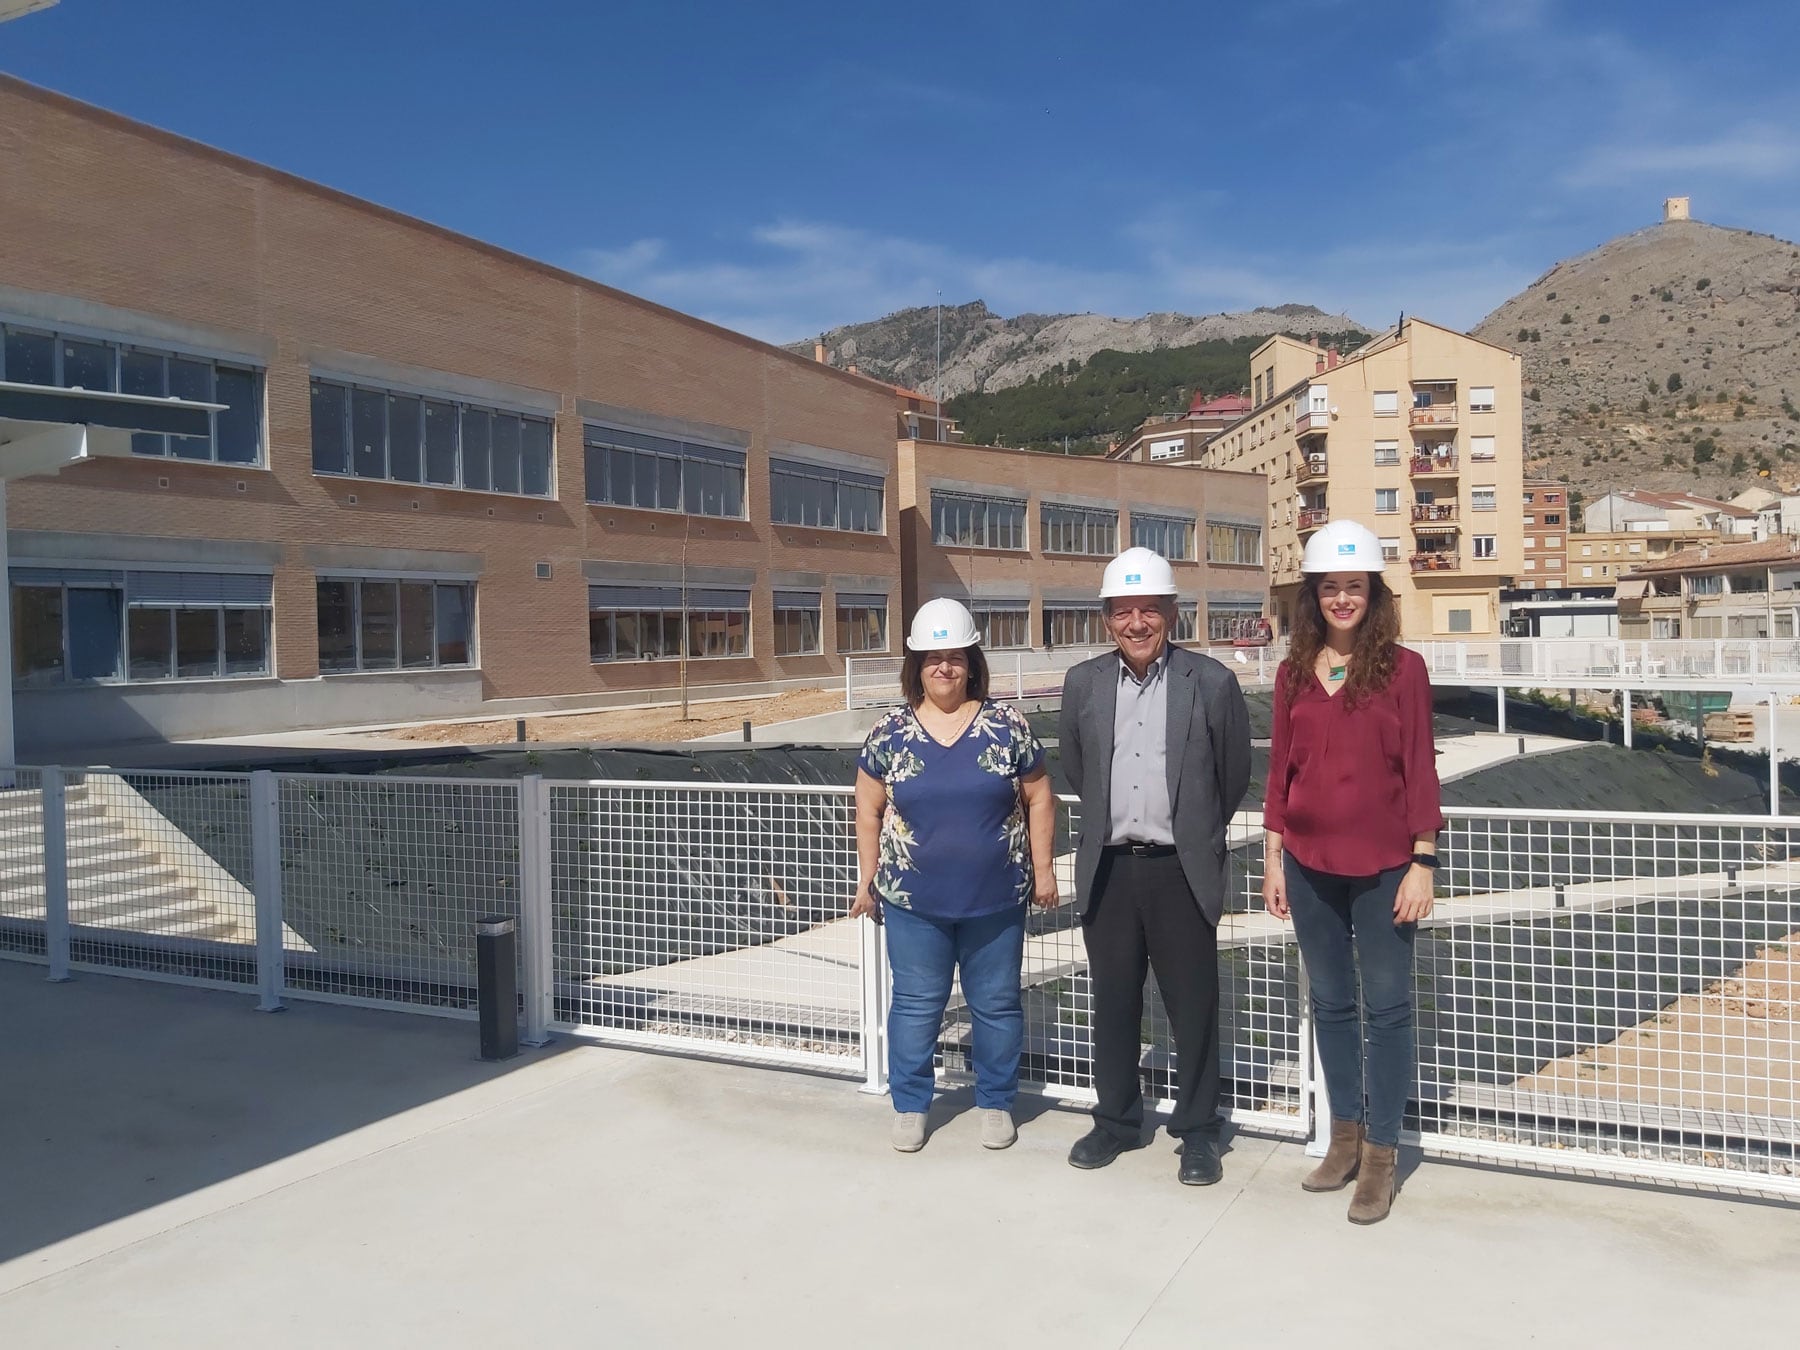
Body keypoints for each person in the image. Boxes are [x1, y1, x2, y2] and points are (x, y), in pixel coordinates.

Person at [1261, 519, 1443, 1225]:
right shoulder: (1290, 673)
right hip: (1308, 866)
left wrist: (1422, 863)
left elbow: (1421, 771)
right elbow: (1281, 771)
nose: (1342, 599)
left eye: (1354, 586)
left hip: (1386, 867)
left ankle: (1381, 1157)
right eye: (1330, 587)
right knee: (1332, 1005)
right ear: (1313, 596)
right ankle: (1343, 1138)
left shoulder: (1404, 670)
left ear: (1374, 593)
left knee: (1388, 1007)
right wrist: (1274, 859)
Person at [1059, 548, 1251, 1185]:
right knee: (1112, 1003)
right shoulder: (1083, 683)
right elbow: (1078, 768)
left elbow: (1233, 777)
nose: (1136, 622)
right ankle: (1115, 1120)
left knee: (1192, 1004)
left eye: (1149, 609)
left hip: (1179, 870)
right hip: (1110, 869)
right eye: (1122, 611)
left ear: (1171, 611)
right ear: (1107, 618)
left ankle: (1198, 1131)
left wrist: (1193, 833)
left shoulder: (1211, 681)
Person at [851, 597, 1060, 1152]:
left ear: (972, 663)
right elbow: (868, 809)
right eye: (931, 658)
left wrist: (1044, 872)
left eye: (955, 657)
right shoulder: (889, 733)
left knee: (995, 1004)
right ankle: (911, 1104)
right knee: (917, 1004)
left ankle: (995, 1101)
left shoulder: (1006, 725)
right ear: (915, 666)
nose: (944, 668)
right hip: (911, 901)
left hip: (996, 899)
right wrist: (866, 880)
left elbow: (1041, 797)